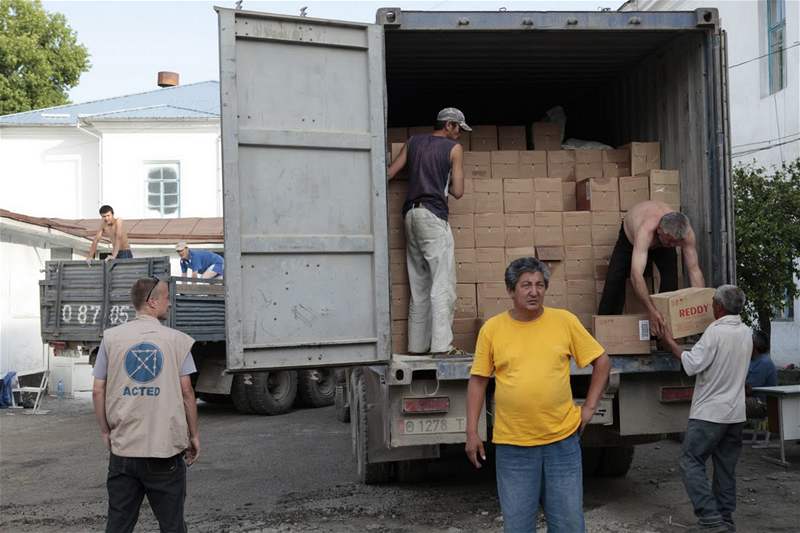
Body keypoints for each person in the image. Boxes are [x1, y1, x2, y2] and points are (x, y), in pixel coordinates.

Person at [465, 257, 611, 532]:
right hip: (514, 446)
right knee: (518, 526)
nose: (534, 291)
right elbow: (478, 381)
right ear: (511, 290)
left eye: (540, 285)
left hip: (562, 443)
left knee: (568, 524)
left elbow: (602, 362)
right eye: (526, 285)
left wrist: (589, 408)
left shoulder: (564, 321)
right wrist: (471, 432)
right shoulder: (493, 329)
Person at [92, 277, 200, 533]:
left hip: (124, 451)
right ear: (152, 301)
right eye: (166, 298)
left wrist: (106, 431)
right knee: (172, 525)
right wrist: (193, 435)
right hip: (164, 452)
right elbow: (187, 392)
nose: (170, 304)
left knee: (118, 525)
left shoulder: (111, 338)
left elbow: (98, 390)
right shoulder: (177, 341)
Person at [659, 285, 751, 533]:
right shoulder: (746, 332)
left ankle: (710, 519)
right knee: (725, 467)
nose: (710, 306)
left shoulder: (715, 332)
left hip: (710, 414)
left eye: (712, 303)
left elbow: (692, 363)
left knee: (691, 461)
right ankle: (725, 519)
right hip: (735, 414)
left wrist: (670, 343)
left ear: (719, 307)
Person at [387, 108, 467, 355]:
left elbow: (389, 173)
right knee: (442, 283)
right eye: (459, 129)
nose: (459, 135)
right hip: (433, 216)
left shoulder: (413, 142)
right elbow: (458, 191)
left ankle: (417, 346)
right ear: (450, 125)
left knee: (419, 285)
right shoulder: (454, 150)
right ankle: (442, 346)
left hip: (410, 215)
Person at [598, 200, 705, 337]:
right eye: (670, 240)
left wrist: (701, 308)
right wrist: (651, 310)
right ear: (659, 230)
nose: (672, 244)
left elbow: (694, 271)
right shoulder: (646, 230)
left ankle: (665, 334)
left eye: (675, 242)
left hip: (662, 240)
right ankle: (605, 332)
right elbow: (636, 275)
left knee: (670, 279)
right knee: (615, 279)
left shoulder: (685, 235)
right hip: (630, 240)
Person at [745, 330, 777, 419]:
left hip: (761, 404)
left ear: (754, 345)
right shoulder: (751, 361)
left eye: (749, 341)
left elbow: (748, 390)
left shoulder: (764, 362)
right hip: (752, 400)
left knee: (729, 404)